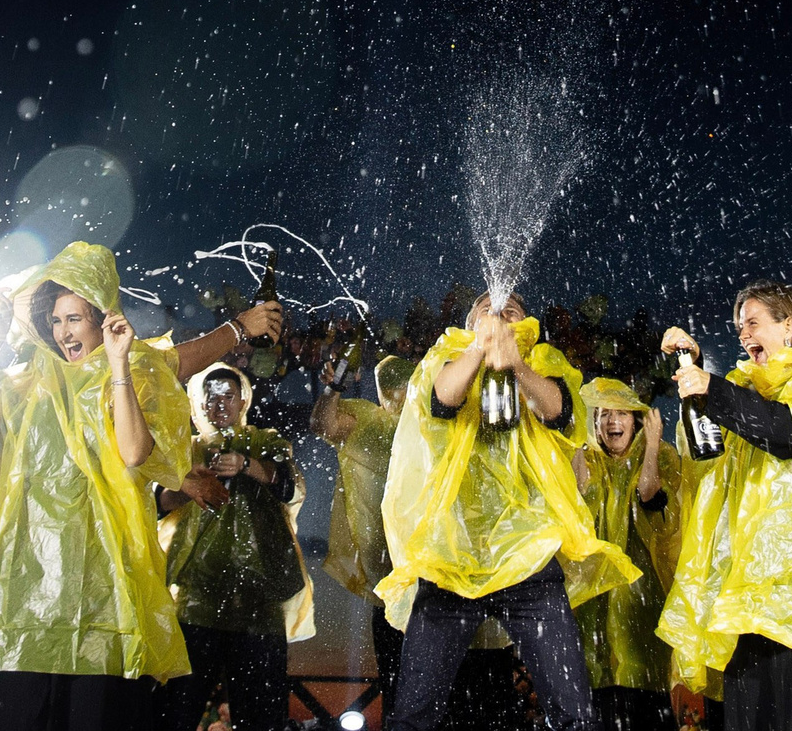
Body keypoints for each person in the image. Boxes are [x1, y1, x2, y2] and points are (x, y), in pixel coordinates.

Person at [0, 242, 195, 731]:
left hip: (95, 569)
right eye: (57, 321)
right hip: (23, 567)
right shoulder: (24, 383)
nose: (64, 333)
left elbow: (134, 453)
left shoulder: (126, 375)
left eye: (75, 320)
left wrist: (121, 363)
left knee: (84, 706)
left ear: (101, 320)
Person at [376, 291, 639, 731]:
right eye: (487, 310)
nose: (499, 315)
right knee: (415, 712)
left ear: (527, 322)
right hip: (453, 554)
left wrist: (515, 364)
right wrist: (481, 349)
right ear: (469, 323)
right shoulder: (447, 355)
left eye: (510, 311)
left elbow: (560, 412)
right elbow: (441, 402)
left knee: (573, 708)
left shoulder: (545, 360)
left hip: (529, 555)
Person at [657, 281, 792, 731]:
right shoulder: (743, 386)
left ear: (789, 325)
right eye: (739, 327)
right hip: (749, 596)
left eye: (753, 322)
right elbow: (707, 450)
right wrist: (691, 371)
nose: (743, 334)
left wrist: (711, 389)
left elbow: (788, 433)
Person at [155, 363, 315, 731]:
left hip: (259, 606)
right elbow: (155, 503)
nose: (219, 404)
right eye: (211, 398)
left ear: (243, 399)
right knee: (176, 709)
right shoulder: (185, 449)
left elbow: (288, 486)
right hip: (196, 603)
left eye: (228, 395)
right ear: (199, 403)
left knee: (261, 716)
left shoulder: (266, 442)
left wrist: (247, 465)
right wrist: (189, 486)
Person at [313, 354, 418, 717]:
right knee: (398, 689)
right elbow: (324, 425)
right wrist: (332, 388)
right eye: (393, 387)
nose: (401, 394)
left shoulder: (440, 425)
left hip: (439, 585)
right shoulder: (372, 425)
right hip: (391, 588)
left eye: (408, 385)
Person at [571, 378, 678, 731]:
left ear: (636, 420)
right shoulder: (588, 458)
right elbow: (575, 502)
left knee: (646, 698)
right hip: (594, 606)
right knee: (598, 697)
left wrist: (651, 447)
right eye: (603, 414)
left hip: (642, 602)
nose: (612, 422)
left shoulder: (661, 455)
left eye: (621, 413)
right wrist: (574, 443)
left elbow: (652, 499)